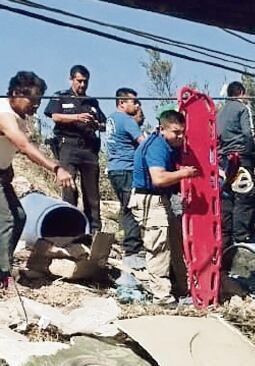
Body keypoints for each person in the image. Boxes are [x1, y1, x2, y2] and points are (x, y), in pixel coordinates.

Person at [0, 72, 74, 286]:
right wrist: (56, 167)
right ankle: (2, 274)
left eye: (39, 102)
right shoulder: (4, 113)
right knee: (7, 219)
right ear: (16, 94)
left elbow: (15, 148)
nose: (36, 107)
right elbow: (23, 145)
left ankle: (4, 266)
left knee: (19, 217)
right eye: (33, 101)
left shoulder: (19, 117)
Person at [130, 110, 199, 301]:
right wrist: (184, 174)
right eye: (176, 132)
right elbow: (159, 178)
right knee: (158, 247)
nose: (180, 137)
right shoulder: (156, 147)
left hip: (161, 199)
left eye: (183, 132)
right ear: (162, 129)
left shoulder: (169, 145)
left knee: (176, 242)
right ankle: (162, 298)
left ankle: (184, 288)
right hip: (149, 200)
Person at [44, 65, 105, 232]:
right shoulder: (61, 97)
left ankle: (94, 230)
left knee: (92, 193)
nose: (83, 85)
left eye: (86, 82)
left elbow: (103, 125)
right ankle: (69, 229)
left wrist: (95, 124)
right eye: (79, 81)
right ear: (71, 79)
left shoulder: (92, 102)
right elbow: (55, 116)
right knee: (69, 188)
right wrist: (76, 117)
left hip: (89, 149)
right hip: (68, 146)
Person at [105, 87, 146, 267]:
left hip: (114, 169)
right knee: (132, 208)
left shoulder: (111, 119)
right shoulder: (126, 120)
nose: (136, 105)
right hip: (127, 168)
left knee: (126, 207)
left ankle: (130, 247)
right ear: (122, 102)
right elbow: (144, 144)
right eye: (133, 102)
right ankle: (133, 250)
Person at [217, 81, 255, 246]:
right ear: (241, 92)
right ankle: (242, 239)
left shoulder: (219, 113)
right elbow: (249, 135)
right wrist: (254, 155)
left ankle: (226, 240)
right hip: (242, 159)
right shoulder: (243, 108)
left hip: (224, 162)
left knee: (228, 199)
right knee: (245, 197)